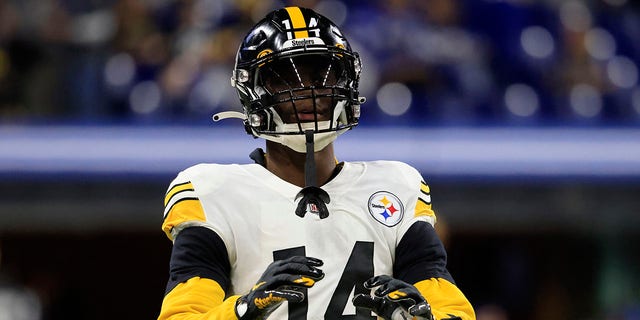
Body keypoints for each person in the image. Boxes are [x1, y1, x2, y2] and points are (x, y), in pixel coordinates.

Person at [158, 6, 475, 320]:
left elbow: (453, 311)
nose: (308, 92)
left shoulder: (396, 186)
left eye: (322, 76)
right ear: (252, 90)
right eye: (285, 79)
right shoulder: (213, 192)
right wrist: (243, 309)